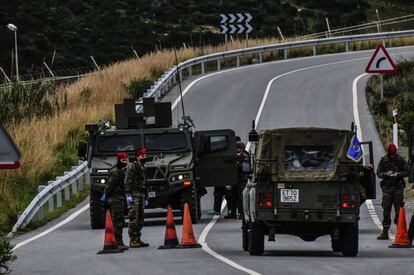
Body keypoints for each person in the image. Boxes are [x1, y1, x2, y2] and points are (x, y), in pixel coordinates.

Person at [376, 144, 408, 240]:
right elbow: (378, 173)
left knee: (399, 211)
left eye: (394, 155)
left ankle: (400, 231)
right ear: (389, 153)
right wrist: (386, 174)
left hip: (398, 188)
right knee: (386, 210)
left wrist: (398, 174)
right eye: (391, 155)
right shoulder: (384, 160)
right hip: (387, 188)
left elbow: (407, 172)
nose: (393, 156)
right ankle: (385, 231)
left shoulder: (401, 160)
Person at [125, 147, 149, 248]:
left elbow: (145, 183)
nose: (144, 158)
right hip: (134, 195)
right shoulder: (132, 167)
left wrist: (146, 197)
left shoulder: (143, 167)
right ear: (138, 157)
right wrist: (128, 195)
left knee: (141, 219)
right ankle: (133, 240)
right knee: (133, 218)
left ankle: (138, 239)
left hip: (141, 195)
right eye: (142, 156)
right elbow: (127, 181)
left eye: (145, 156)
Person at [105, 151, 129, 250]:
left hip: (119, 198)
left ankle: (119, 242)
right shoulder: (116, 172)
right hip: (116, 199)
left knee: (120, 221)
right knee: (118, 222)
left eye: (126, 160)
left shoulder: (120, 170)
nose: (125, 162)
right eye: (123, 160)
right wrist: (108, 196)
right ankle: (117, 243)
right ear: (119, 160)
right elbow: (110, 187)